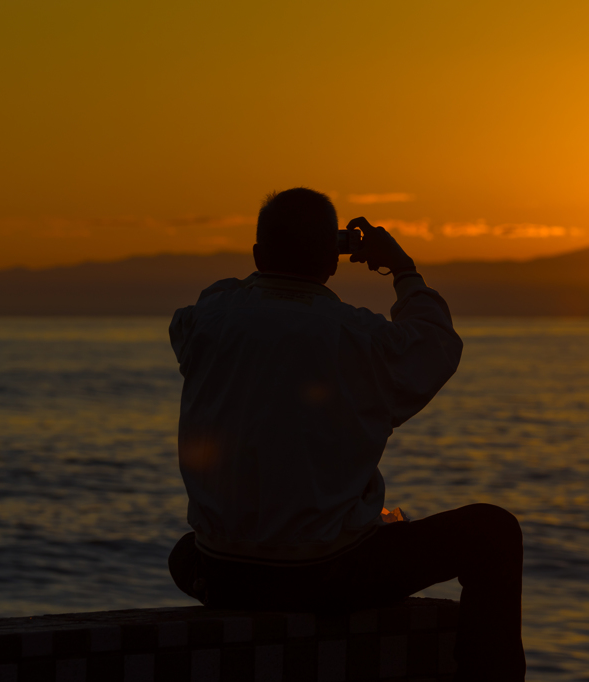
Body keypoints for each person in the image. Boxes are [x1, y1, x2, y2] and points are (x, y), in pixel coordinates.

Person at [166, 188, 525, 680]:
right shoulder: (362, 339)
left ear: (257, 255)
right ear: (332, 263)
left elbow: (224, 293)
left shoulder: (204, 321)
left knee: (183, 550)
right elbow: (437, 342)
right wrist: (402, 267)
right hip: (324, 577)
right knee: (494, 532)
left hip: (217, 574)